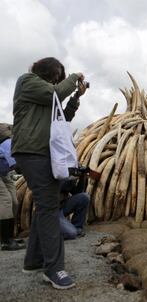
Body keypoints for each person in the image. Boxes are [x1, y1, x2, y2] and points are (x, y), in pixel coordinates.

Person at [11, 57, 87, 289]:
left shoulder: (48, 96)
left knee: (46, 205)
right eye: (57, 75)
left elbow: (62, 119)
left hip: (45, 153)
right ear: (45, 70)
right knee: (48, 206)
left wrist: (75, 99)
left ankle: (33, 260)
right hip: (31, 151)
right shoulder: (27, 81)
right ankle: (54, 269)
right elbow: (54, 92)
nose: (59, 79)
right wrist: (75, 77)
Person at [0, 123, 25, 251]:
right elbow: (17, 166)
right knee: (5, 201)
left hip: (4, 173)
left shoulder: (13, 142)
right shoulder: (8, 143)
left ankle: (10, 236)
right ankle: (5, 241)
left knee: (14, 202)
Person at [59, 172, 90, 240]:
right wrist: (67, 177)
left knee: (84, 197)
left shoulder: (68, 171)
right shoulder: (55, 170)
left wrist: (82, 177)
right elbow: (59, 187)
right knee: (71, 233)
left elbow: (77, 192)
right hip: (52, 211)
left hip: (63, 206)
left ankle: (77, 227)